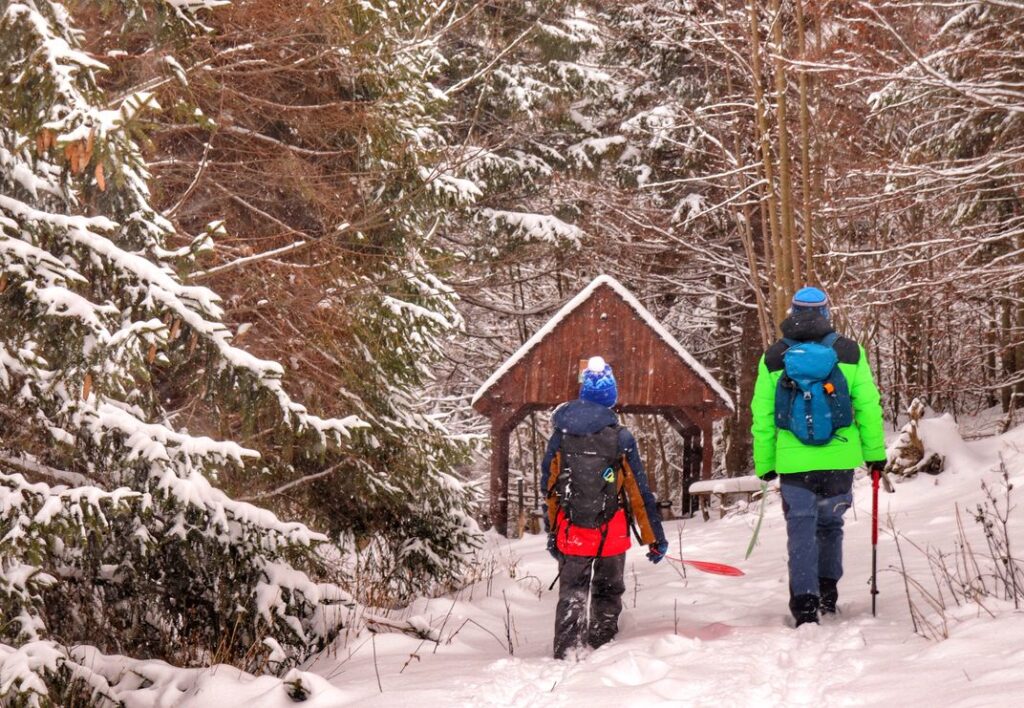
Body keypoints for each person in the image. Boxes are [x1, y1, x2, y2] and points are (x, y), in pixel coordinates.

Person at [751, 287, 886, 626]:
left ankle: (805, 605)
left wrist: (766, 463)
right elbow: (868, 408)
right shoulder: (850, 352)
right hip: (839, 457)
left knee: (800, 530)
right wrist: (874, 455)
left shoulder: (773, 357)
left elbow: (763, 416)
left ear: (793, 311)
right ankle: (828, 594)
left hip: (794, 463)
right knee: (830, 525)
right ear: (826, 313)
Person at [541, 356, 668, 659]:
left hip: (572, 531)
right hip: (610, 532)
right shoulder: (620, 437)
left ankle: (567, 649)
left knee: (572, 592)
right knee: (608, 591)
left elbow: (549, 486)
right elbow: (638, 491)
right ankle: (602, 647)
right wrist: (655, 537)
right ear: (611, 398)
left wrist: (552, 530)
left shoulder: (561, 435)